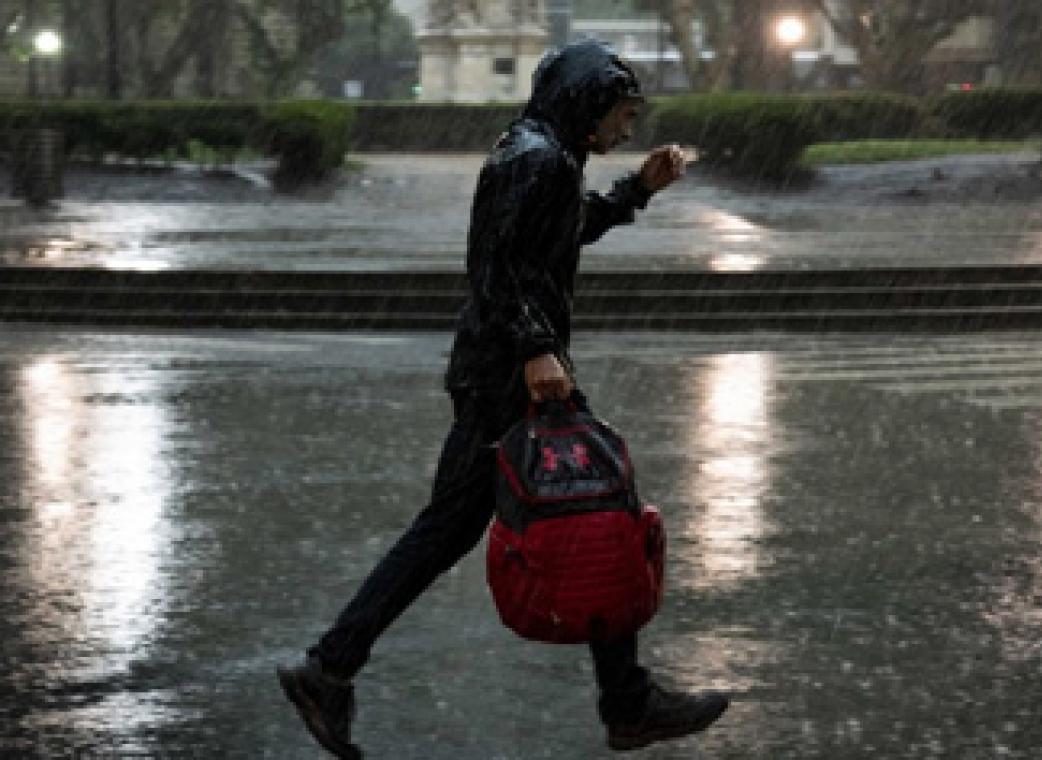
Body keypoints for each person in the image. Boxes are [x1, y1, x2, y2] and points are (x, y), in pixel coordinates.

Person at [277, 39, 730, 759]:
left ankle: (330, 667)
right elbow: (497, 268)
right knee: (601, 505)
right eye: (620, 113)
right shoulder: (535, 159)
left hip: (508, 366)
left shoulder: (546, 153)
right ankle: (626, 701)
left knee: (457, 527)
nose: (626, 129)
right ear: (586, 103)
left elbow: (562, 232)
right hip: (513, 372)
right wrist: (535, 349)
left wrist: (637, 190)